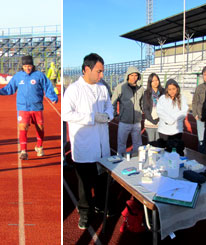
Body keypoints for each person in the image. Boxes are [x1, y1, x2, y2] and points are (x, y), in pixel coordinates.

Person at [62, 53, 113, 230]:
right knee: (84, 185)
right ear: (86, 69)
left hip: (101, 145)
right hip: (84, 145)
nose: (101, 75)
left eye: (102, 72)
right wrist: (92, 117)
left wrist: (107, 115)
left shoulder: (103, 88)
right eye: (99, 71)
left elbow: (109, 107)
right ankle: (84, 212)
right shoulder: (74, 89)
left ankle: (100, 205)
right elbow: (66, 113)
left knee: (101, 179)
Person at [0, 55, 58, 160]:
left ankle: (39, 146)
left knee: (40, 127)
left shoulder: (39, 76)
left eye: (29, 66)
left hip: (37, 107)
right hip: (23, 107)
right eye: (25, 66)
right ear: (22, 66)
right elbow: (10, 88)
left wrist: (52, 97)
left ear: (33, 66)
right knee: (23, 127)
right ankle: (23, 151)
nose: (27, 68)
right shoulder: (18, 76)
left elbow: (47, 87)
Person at [111, 66, 144, 156]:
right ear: (128, 76)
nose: (134, 77)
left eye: (136, 75)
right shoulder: (120, 87)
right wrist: (115, 114)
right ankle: (120, 161)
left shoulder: (141, 88)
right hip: (124, 121)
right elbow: (113, 102)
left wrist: (142, 111)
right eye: (132, 75)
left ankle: (137, 160)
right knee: (121, 144)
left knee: (138, 145)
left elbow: (142, 102)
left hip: (137, 121)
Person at [156, 79, 188, 155]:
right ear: (167, 90)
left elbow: (183, 112)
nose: (172, 91)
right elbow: (160, 111)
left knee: (176, 151)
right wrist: (169, 120)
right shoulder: (162, 98)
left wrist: (173, 119)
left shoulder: (182, 98)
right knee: (164, 151)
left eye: (174, 89)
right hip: (164, 130)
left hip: (176, 130)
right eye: (169, 89)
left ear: (177, 88)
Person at [192, 66, 206, 153]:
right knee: (201, 141)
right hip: (201, 119)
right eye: (205, 74)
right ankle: (201, 160)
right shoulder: (199, 88)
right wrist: (195, 114)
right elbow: (195, 101)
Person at [142, 73, 165, 145]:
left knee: (159, 144)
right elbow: (145, 108)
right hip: (150, 122)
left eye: (157, 80)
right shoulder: (146, 93)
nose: (155, 82)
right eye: (153, 81)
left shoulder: (163, 92)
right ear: (150, 82)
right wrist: (152, 120)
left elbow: (165, 107)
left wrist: (158, 119)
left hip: (161, 122)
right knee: (151, 144)